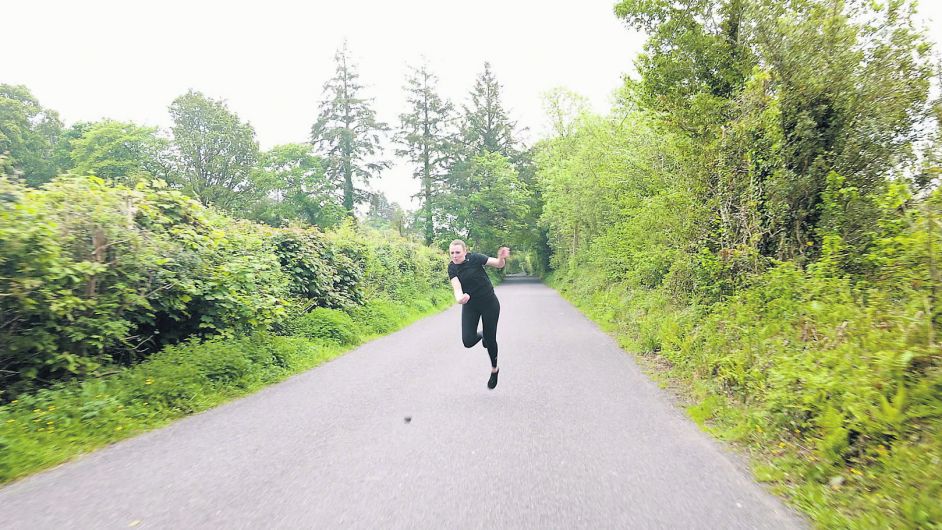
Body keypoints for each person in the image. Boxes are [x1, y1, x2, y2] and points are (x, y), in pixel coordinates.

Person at [448, 239, 510, 389]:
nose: (455, 256)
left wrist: (501, 258)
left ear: (465, 251)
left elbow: (498, 264)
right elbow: (457, 288)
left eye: (458, 252)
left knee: (490, 340)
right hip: (471, 306)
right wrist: (460, 298)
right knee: (468, 341)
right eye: (452, 253)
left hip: (489, 303)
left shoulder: (475, 258)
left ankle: (494, 369)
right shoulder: (452, 268)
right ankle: (483, 335)